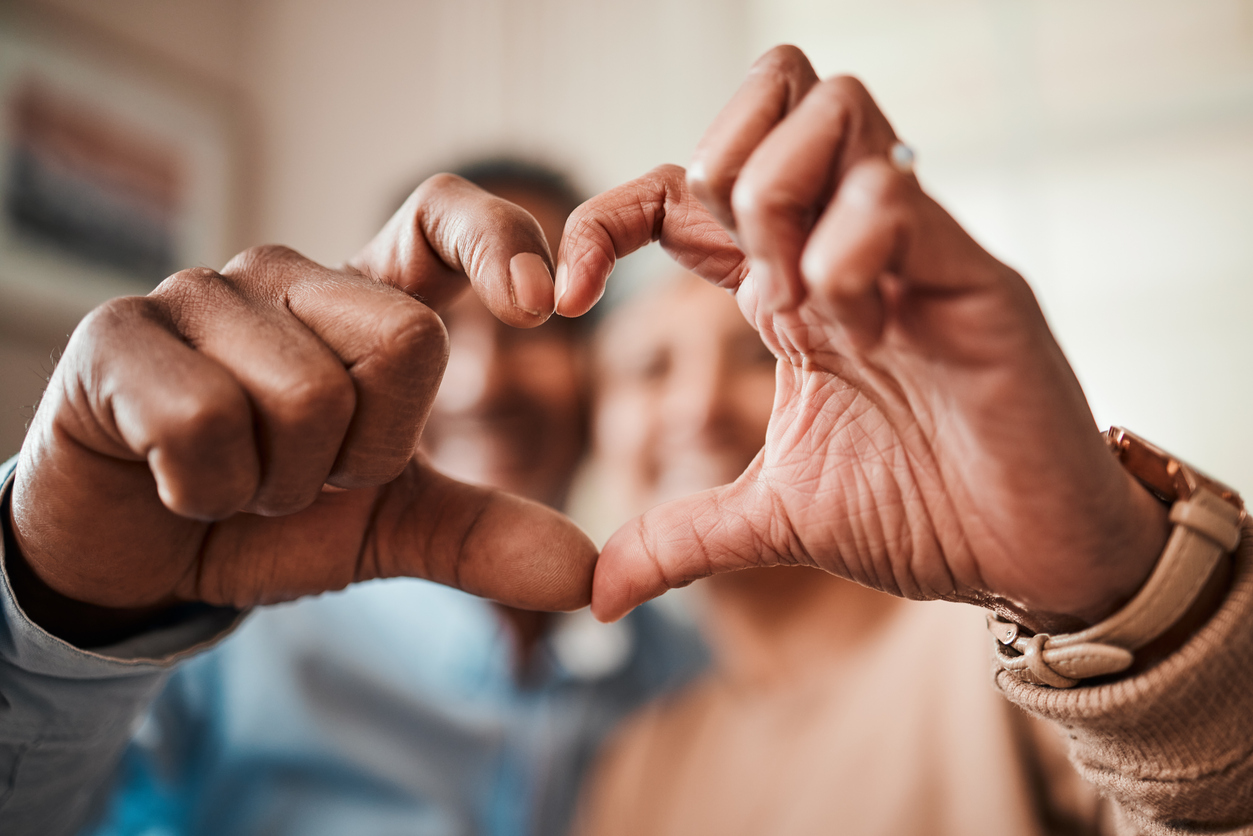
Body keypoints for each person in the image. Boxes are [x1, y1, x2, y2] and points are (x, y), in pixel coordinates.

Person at [551, 46, 1252, 833]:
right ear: (595, 430)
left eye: (755, 356)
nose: (698, 406)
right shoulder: (635, 772)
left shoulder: (1028, 665)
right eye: (647, 369)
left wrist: (1114, 593)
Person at [0, 160, 703, 836]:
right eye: (440, 326)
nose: (482, 385)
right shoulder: (212, 628)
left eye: (537, 324)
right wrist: (63, 597)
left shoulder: (682, 673)